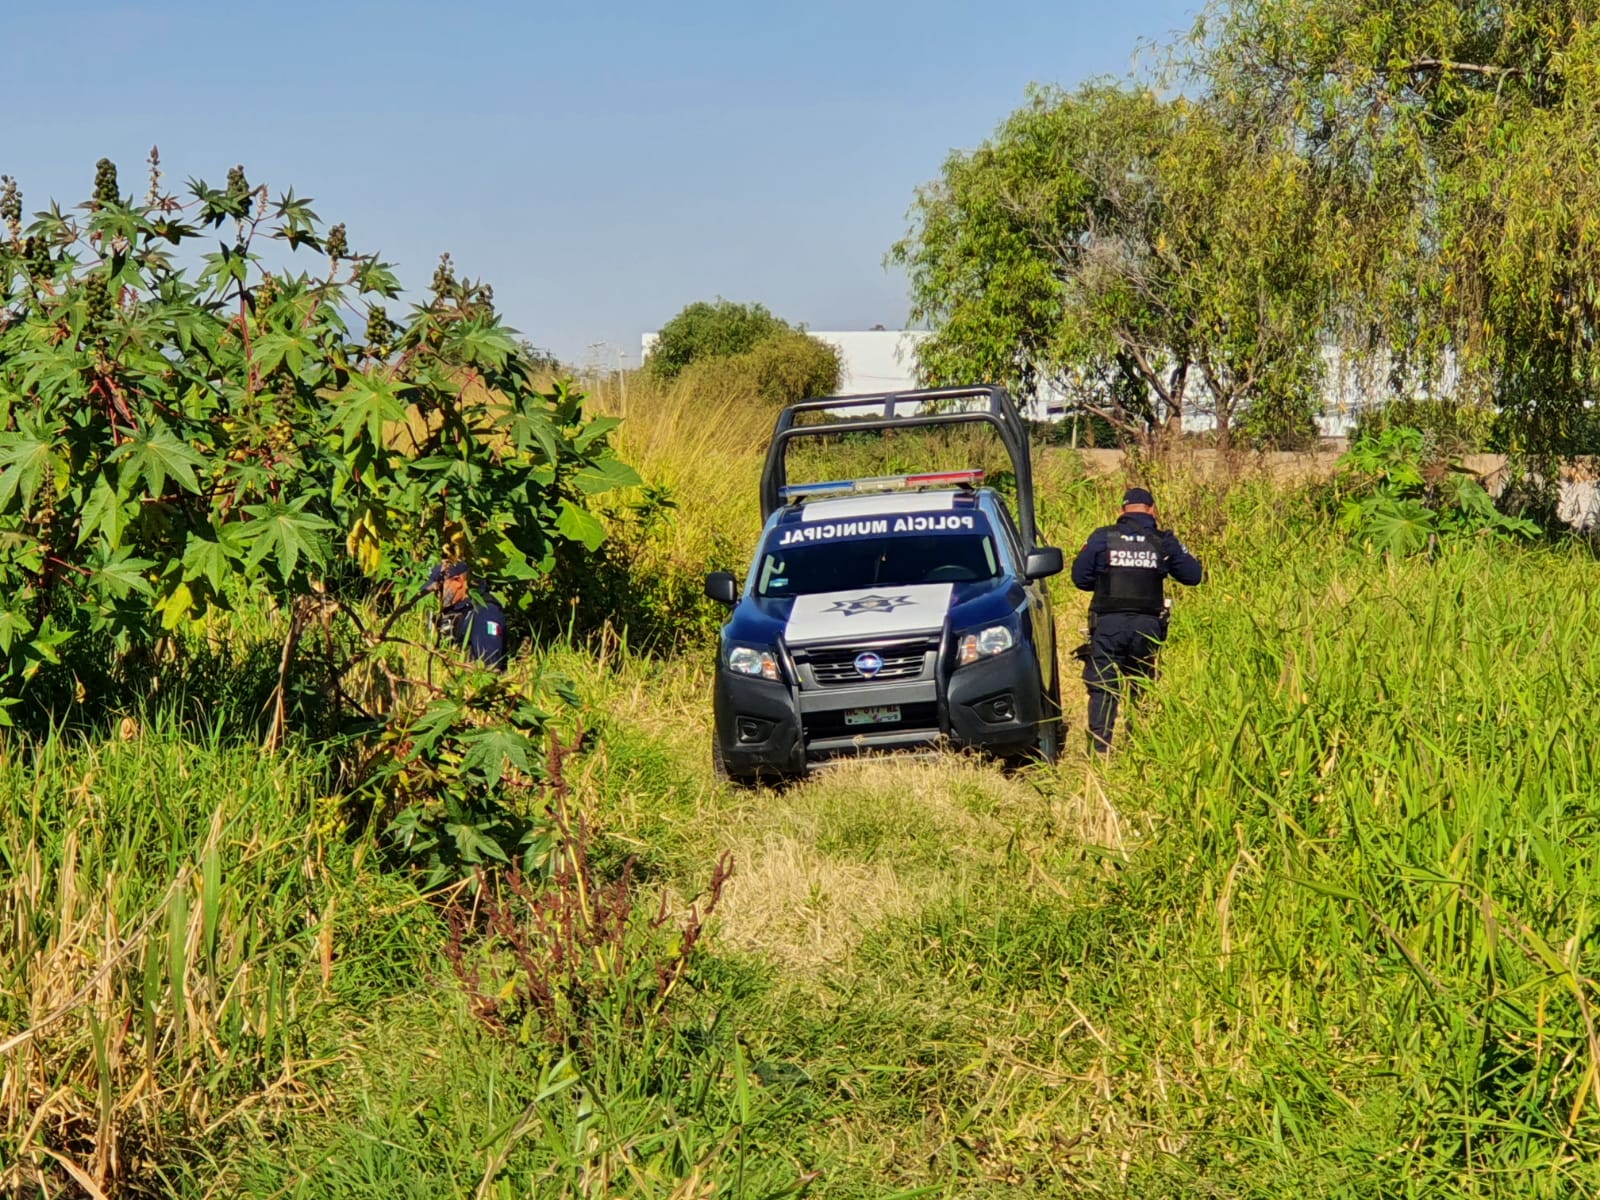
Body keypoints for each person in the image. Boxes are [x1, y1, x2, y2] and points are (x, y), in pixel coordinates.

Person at [1071, 486, 1202, 753]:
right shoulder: (1163, 541)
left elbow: (1080, 578)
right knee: (1142, 686)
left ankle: (1100, 751)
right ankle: (1138, 748)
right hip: (1147, 627)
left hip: (1108, 625)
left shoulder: (1102, 537)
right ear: (1152, 510)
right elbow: (1193, 575)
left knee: (1103, 687)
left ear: (1121, 511)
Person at [425, 560, 508, 670]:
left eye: (439, 586)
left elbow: (488, 666)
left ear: (458, 581)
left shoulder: (485, 613)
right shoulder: (448, 609)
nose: (434, 591)